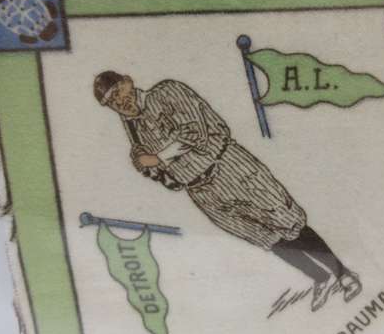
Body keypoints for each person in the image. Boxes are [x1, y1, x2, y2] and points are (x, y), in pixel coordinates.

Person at [93, 71, 361, 311]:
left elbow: (195, 133)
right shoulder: (134, 132)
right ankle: (320, 278)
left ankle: (343, 274)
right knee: (264, 237)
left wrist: (156, 158)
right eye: (111, 102)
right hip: (201, 192)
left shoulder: (165, 91)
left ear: (128, 82)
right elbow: (167, 179)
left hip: (229, 166)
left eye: (118, 92)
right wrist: (148, 169)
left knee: (285, 219)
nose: (119, 101)